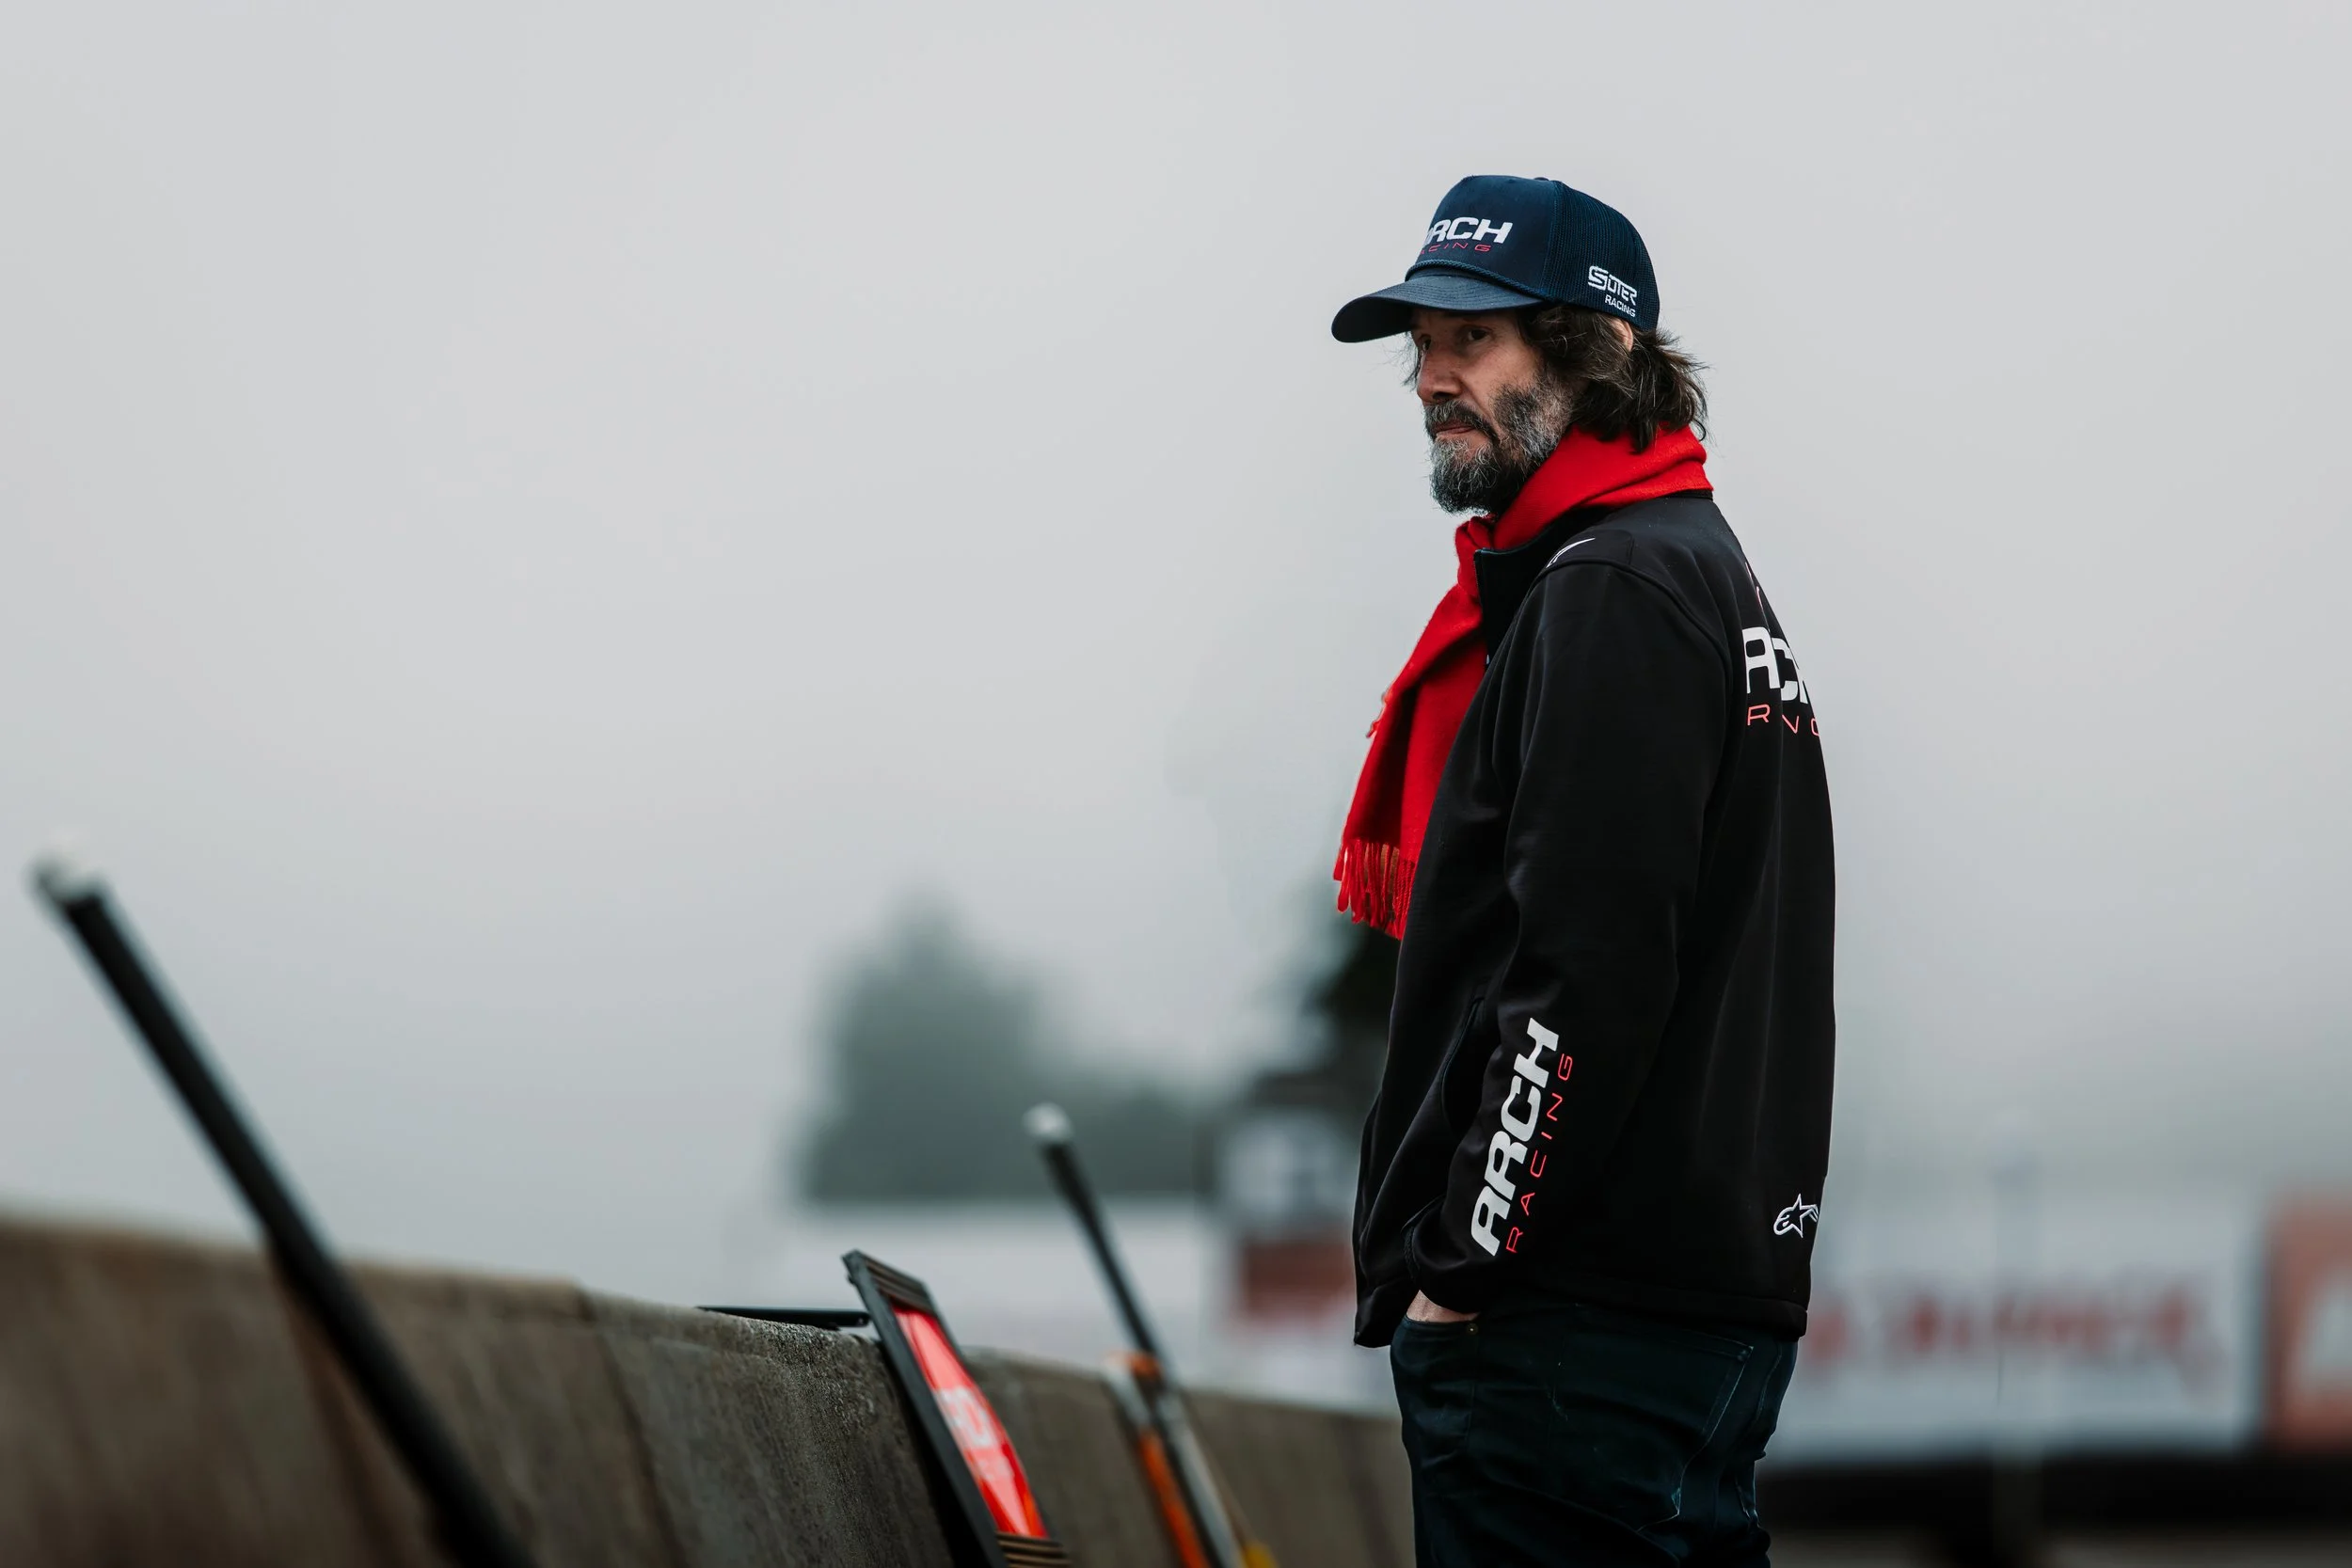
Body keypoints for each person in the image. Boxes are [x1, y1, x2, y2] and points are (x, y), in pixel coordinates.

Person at [1332, 176, 1836, 1566]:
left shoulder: (1611, 588)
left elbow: (1584, 977)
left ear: (1593, 352)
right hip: (1679, 1304)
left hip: (1572, 1329)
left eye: (1476, 341)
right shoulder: (1696, 570)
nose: (1432, 376)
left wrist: (1469, 1265)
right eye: (1421, 343)